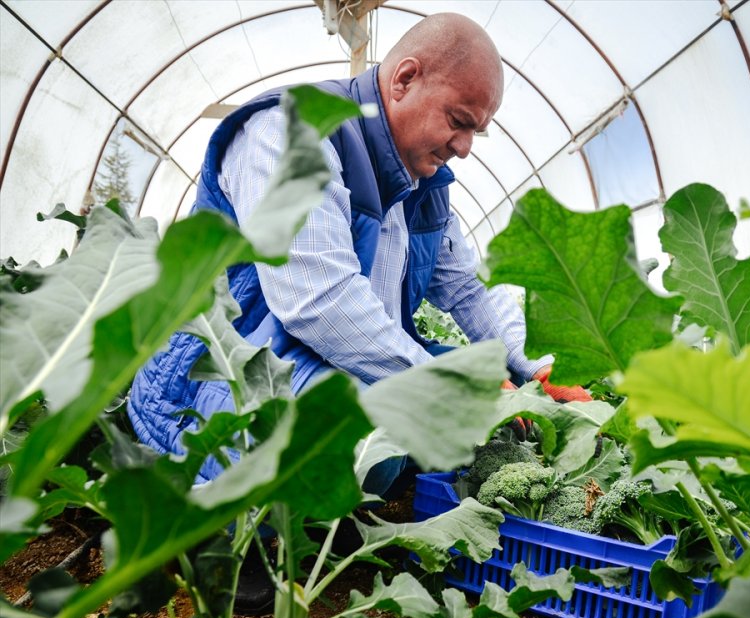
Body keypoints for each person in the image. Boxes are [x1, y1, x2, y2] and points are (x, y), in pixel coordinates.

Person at [127, 12, 590, 492]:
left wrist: (540, 366)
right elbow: (319, 300)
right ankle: (253, 538)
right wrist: (447, 389)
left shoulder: (421, 184)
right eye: (458, 122)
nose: (467, 148)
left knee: (485, 382)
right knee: (374, 432)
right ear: (405, 80)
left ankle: (380, 488)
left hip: (324, 366)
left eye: (477, 130)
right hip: (217, 381)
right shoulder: (292, 134)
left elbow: (471, 290)